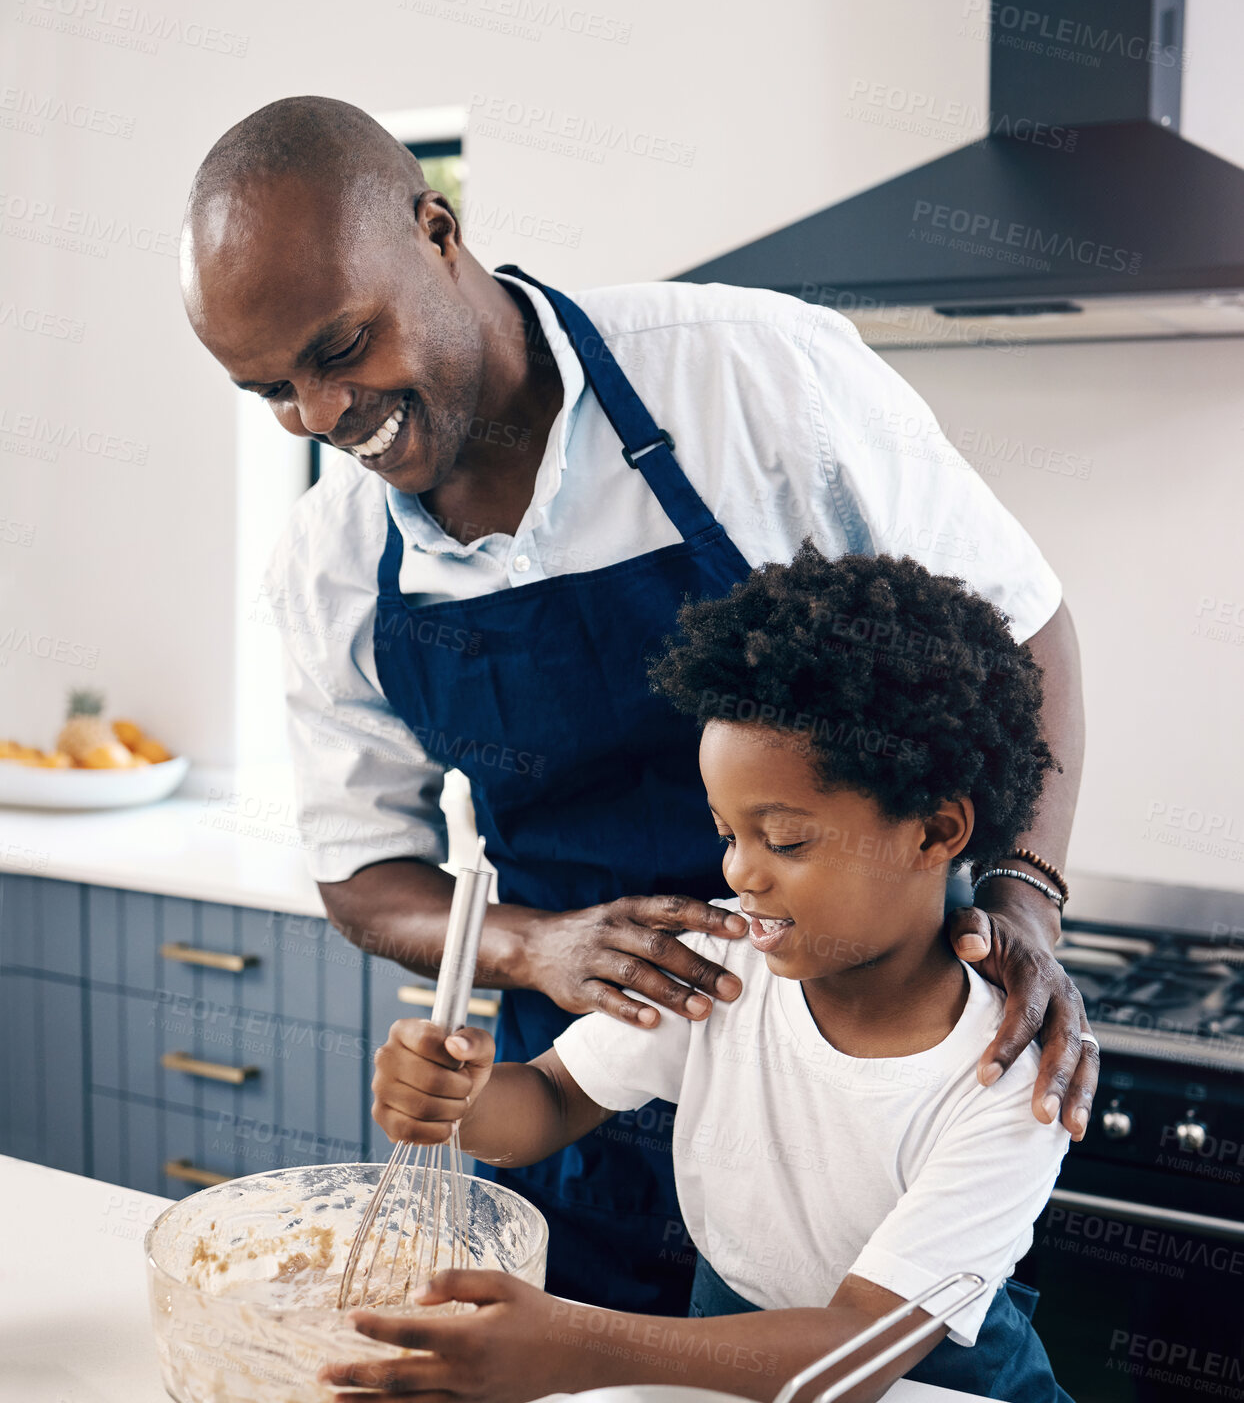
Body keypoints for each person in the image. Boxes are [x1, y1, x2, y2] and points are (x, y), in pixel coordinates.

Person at [181, 95, 1093, 1314]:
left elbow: (1022, 630)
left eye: (342, 348)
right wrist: (537, 948)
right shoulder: (330, 559)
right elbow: (362, 872)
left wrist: (1023, 895)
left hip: (856, 1104)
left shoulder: (751, 377)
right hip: (576, 1102)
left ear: (437, 232)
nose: (323, 414)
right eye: (271, 392)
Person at [322, 547, 1083, 1403]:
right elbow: (551, 1101)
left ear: (935, 831)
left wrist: (568, 1347)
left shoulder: (1007, 1074)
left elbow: (850, 1352)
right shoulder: (720, 967)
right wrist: (458, 1097)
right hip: (732, 1356)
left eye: (785, 841)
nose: (740, 873)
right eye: (727, 833)